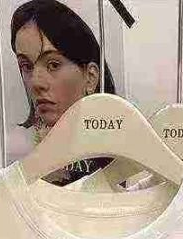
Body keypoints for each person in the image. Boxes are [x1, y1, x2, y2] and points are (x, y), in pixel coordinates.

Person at [11, 0, 116, 184]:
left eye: (53, 64)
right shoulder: (24, 162)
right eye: (26, 66)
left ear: (91, 77)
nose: (35, 83)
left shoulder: (129, 161)